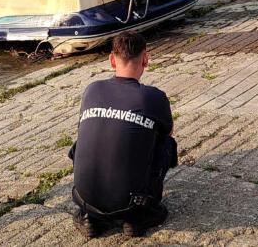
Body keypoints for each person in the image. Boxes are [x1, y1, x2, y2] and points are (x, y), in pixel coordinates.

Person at [68, 31, 177, 238]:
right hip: (130, 204)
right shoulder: (154, 97)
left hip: (84, 198)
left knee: (89, 137)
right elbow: (168, 132)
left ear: (111, 60)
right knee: (165, 143)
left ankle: (91, 216)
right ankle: (138, 216)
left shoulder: (92, 89)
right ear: (145, 59)